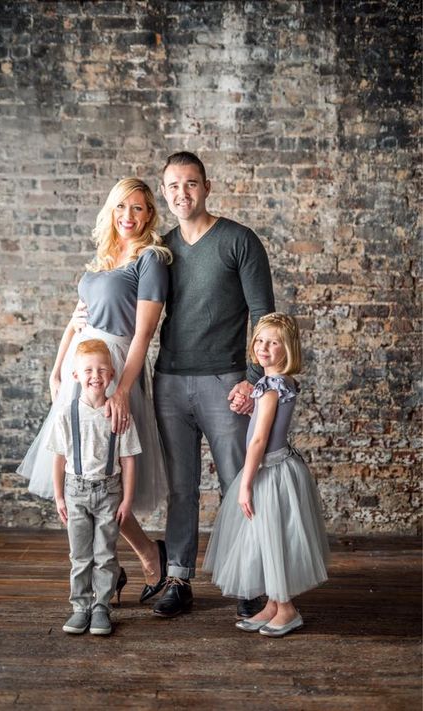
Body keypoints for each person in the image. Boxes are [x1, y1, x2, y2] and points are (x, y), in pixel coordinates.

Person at [17, 178, 171, 602]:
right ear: (111, 209)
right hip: (79, 370)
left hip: (116, 367)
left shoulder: (150, 260)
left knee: (106, 474)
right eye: (122, 207)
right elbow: (77, 317)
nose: (128, 216)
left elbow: (143, 335)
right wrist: (55, 369)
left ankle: (149, 555)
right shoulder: (103, 256)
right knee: (81, 472)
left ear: (150, 215)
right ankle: (111, 571)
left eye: (138, 209)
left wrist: (122, 389)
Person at [152, 151, 275, 618]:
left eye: (191, 184)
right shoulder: (161, 249)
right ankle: (179, 579)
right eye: (173, 186)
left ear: (207, 186)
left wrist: (252, 379)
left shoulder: (239, 241)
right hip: (169, 381)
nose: (182, 193)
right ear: (164, 192)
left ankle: (247, 581)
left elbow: (265, 316)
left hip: (226, 383)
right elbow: (135, 308)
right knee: (181, 488)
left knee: (236, 483)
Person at [203, 313, 329, 637]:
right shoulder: (273, 383)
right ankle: (272, 605)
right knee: (266, 538)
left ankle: (287, 609)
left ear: (288, 349)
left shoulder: (272, 387)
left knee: (273, 539)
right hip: (273, 466)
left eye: (274, 342)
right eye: (260, 340)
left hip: (269, 471)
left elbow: (259, 439)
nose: (264, 348)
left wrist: (244, 483)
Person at [48, 339, 141, 635]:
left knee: (105, 553)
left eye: (102, 369)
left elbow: (127, 460)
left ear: (112, 374)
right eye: (88, 369)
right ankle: (80, 606)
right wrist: (59, 495)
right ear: (76, 375)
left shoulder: (119, 414)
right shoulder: (67, 414)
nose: (95, 375)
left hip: (109, 492)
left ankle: (101, 607)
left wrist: (127, 500)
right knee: (80, 555)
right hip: (76, 491)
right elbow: (59, 458)